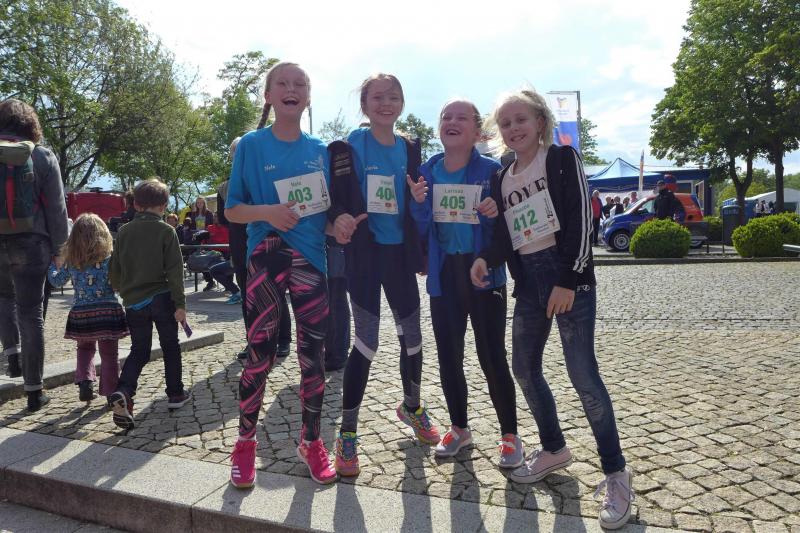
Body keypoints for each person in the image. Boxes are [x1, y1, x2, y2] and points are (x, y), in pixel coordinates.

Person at [470, 88, 633, 530]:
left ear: (540, 121)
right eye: (505, 123)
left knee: (583, 375)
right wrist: (486, 258)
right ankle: (554, 448)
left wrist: (567, 280)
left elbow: (581, 221)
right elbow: (508, 235)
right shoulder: (502, 176)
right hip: (529, 284)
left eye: (521, 119)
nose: (513, 128)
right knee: (524, 368)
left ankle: (616, 473)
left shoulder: (561, 159)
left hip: (568, 279)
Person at [226, 61, 336, 487]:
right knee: (260, 354)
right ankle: (245, 442)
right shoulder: (251, 145)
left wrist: (339, 226)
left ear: (308, 97)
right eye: (283, 83)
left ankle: (311, 441)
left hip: (311, 262)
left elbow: (323, 214)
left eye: (300, 84)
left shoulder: (321, 150)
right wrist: (268, 212)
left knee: (314, 357)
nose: (292, 89)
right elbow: (233, 210)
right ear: (269, 95)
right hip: (266, 258)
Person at [328, 73, 439, 477]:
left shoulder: (410, 147)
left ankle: (412, 407)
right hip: (364, 254)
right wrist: (338, 219)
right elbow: (331, 198)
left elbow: (416, 201)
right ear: (364, 104)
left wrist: (418, 204)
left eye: (393, 97)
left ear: (402, 102)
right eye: (377, 97)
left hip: (398, 255)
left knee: (413, 338)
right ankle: (347, 434)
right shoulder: (348, 146)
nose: (386, 104)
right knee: (366, 341)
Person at [408, 99, 522, 467]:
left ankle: (509, 435)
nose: (452, 122)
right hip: (445, 275)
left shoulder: (493, 171)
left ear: (477, 131)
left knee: (492, 357)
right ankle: (459, 428)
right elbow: (421, 228)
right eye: (446, 117)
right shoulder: (426, 171)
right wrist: (418, 204)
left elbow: (507, 227)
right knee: (448, 356)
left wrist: (494, 212)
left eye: (462, 118)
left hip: (484, 274)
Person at [0, 98, 69, 411]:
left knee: (3, 299)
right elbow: (57, 208)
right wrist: (60, 249)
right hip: (32, 243)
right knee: (31, 313)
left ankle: (12, 355)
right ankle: (34, 391)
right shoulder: (42, 155)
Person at [108, 178, 190, 430]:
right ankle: (175, 393)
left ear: (136, 204)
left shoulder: (123, 232)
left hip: (134, 302)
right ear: (163, 206)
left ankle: (124, 390)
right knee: (170, 347)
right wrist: (180, 304)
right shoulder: (166, 231)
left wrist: (122, 288)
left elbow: (115, 269)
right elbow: (175, 271)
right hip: (162, 297)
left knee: (139, 350)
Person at [218, 138, 291, 360]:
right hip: (240, 245)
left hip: (265, 243)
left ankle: (283, 340)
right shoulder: (225, 187)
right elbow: (223, 218)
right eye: (235, 153)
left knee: (275, 292)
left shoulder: (263, 177)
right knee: (247, 296)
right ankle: (253, 340)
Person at [48, 214, 128, 402]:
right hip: (107, 312)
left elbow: (57, 281)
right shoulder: (110, 260)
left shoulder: (72, 261)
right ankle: (111, 392)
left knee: (84, 349)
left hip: (81, 313)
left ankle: (85, 381)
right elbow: (120, 283)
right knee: (109, 354)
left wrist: (50, 267)